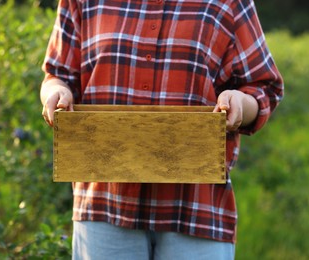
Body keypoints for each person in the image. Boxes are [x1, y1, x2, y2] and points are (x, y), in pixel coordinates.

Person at [40, 0, 284, 259]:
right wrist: (57, 93)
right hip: (104, 204)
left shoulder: (229, 3)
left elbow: (263, 88)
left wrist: (238, 102)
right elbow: (57, 75)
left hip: (196, 207)